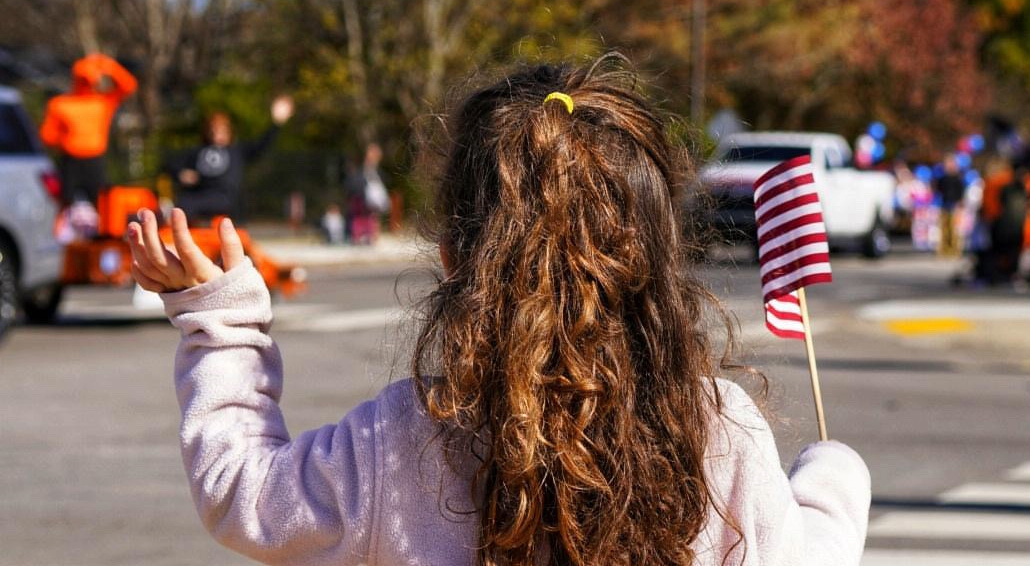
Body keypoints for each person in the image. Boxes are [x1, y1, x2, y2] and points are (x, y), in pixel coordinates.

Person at [126, 58, 870, 566]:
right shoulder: (719, 433)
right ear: (654, 261)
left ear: (453, 257)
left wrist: (220, 322)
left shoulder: (401, 442)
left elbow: (245, 494)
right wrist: (835, 486)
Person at [40, 53, 138, 238]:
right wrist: (66, 140)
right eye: (84, 80)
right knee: (64, 203)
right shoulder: (61, 104)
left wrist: (108, 66)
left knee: (102, 202)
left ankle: (106, 238)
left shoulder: (103, 102)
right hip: (71, 160)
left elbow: (129, 86)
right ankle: (57, 241)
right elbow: (47, 136)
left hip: (95, 160)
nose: (87, 84)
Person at [167, 95, 294, 224]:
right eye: (214, 130)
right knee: (183, 204)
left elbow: (261, 145)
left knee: (197, 205)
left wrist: (276, 123)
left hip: (224, 197)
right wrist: (181, 174)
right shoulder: (199, 151)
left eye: (221, 130)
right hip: (200, 195)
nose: (217, 134)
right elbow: (171, 164)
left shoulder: (237, 150)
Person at [345, 143, 389, 245]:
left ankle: (371, 236)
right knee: (363, 216)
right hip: (362, 198)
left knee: (373, 214)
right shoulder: (362, 171)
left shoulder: (376, 172)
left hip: (371, 200)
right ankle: (362, 236)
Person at [934, 153, 966, 257]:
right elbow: (938, 190)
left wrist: (960, 203)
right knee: (944, 228)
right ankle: (944, 250)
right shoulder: (942, 178)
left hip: (955, 205)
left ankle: (955, 250)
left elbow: (961, 192)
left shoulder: (958, 178)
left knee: (954, 229)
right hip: (944, 204)